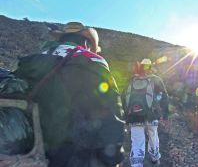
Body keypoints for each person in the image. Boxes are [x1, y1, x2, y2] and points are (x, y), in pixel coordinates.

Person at [16, 22, 125, 167]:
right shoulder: (92, 59)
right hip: (73, 156)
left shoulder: (32, 60)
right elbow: (111, 111)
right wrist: (113, 157)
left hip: (26, 153)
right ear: (87, 43)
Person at [122, 58, 169, 167]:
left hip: (134, 117)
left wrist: (126, 114)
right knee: (153, 137)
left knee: (137, 142)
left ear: (141, 67)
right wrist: (164, 114)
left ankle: (137, 164)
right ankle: (155, 159)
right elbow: (165, 97)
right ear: (151, 67)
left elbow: (123, 97)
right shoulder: (156, 79)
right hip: (151, 116)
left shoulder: (132, 80)